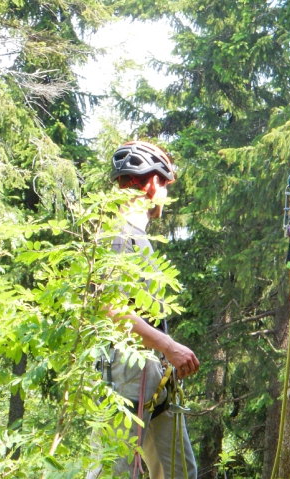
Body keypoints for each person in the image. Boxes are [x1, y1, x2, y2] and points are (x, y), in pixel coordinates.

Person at [87, 141, 199, 478]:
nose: (165, 192)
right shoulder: (118, 234)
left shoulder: (136, 236)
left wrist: (164, 353)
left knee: (180, 471)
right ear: (151, 183)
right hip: (126, 368)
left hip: (151, 370)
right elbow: (110, 307)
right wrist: (169, 345)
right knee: (115, 471)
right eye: (165, 183)